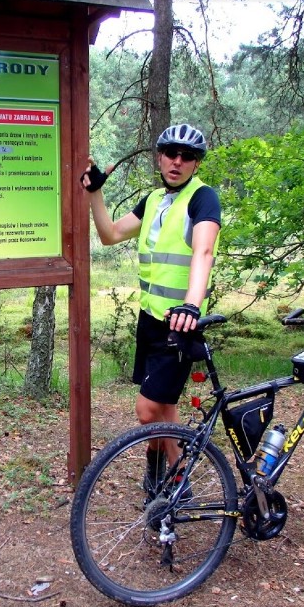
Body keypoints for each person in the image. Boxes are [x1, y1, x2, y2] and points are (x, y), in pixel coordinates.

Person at [81, 123, 222, 500]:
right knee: (164, 406)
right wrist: (96, 193)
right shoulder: (154, 199)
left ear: (196, 163)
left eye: (187, 156)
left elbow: (203, 252)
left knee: (147, 410)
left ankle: (175, 476)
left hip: (180, 323)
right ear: (159, 157)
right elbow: (109, 234)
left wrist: (192, 305)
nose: (177, 161)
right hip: (150, 320)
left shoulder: (203, 198)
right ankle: (162, 473)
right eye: (171, 153)